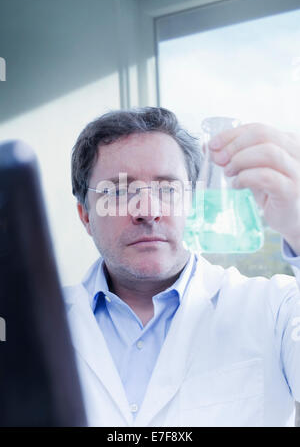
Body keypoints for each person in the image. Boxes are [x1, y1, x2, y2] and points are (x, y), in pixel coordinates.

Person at [64, 107, 300, 427]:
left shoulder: (277, 308)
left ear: (195, 201)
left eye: (167, 189)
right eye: (119, 191)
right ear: (85, 216)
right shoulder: (28, 323)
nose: (147, 210)